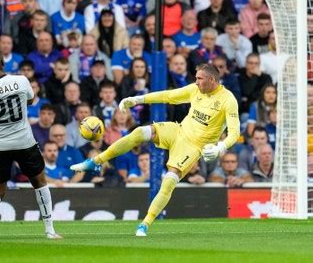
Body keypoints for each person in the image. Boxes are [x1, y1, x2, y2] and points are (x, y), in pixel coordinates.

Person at [71, 63, 240, 236]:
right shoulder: (196, 90)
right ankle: (95, 162)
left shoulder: (228, 100)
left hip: (193, 146)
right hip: (178, 130)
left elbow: (235, 133)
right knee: (139, 132)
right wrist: (137, 99)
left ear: (211, 79)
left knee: (168, 182)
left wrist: (221, 147)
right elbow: (167, 95)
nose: (196, 82)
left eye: (199, 79)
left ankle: (145, 224)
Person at [0, 46, 61, 239]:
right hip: (24, 142)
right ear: (3, 62)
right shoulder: (21, 80)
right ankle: (50, 230)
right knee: (40, 182)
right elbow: (31, 101)